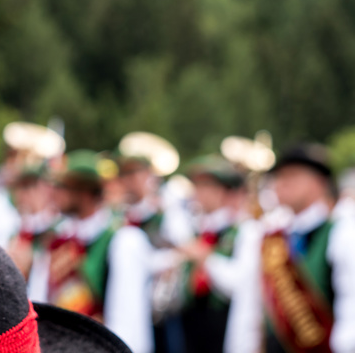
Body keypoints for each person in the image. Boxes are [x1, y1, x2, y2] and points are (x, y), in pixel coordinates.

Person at [222, 144, 355, 353]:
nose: (282, 183)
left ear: (318, 182)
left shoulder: (343, 232)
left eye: (293, 175)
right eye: (279, 176)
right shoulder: (266, 238)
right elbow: (248, 314)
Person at [33, 150, 153, 352]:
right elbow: (39, 300)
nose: (54, 193)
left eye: (63, 186)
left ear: (85, 192)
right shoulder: (56, 238)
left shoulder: (123, 240)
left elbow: (126, 325)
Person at [172, 155, 246, 353]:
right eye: (198, 187)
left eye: (208, 187)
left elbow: (238, 284)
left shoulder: (240, 232)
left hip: (222, 320)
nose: (199, 194)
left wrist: (205, 257)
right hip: (191, 318)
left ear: (225, 192)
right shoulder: (195, 231)